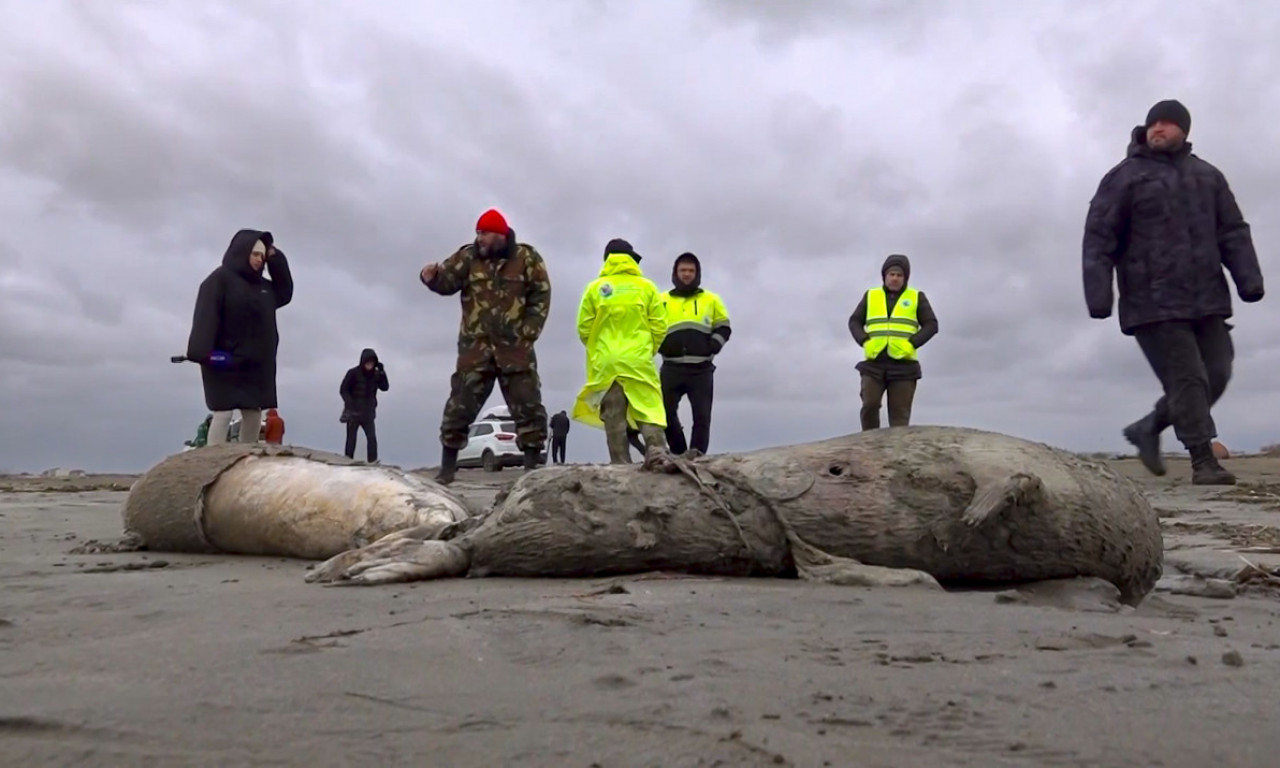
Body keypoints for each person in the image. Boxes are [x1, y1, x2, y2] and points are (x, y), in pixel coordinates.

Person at [1083, 99, 1265, 485]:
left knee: (1217, 373)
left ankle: (1149, 426)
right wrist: (1099, 295)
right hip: (1152, 301)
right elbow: (1099, 238)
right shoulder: (1124, 178)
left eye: (1167, 124)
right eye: (1153, 124)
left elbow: (1232, 230)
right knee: (1188, 379)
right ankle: (1203, 460)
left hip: (1207, 299)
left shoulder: (1208, 176)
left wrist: (1248, 279)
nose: (1158, 129)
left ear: (1184, 130)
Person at [420, 208, 551, 484]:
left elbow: (541, 293)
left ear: (500, 234)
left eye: (485, 233)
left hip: (515, 347)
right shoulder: (467, 257)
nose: (479, 238)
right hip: (475, 347)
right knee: (460, 405)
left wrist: (528, 332)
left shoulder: (527, 258)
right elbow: (447, 281)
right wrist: (430, 277)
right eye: (478, 232)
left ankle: (531, 466)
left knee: (527, 404)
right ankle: (447, 469)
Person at [186, 229, 293, 445]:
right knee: (223, 412)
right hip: (223, 361)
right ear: (242, 251)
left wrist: (275, 256)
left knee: (253, 414)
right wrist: (203, 353)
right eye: (255, 254)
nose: (259, 260)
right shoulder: (219, 280)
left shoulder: (264, 288)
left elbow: (285, 292)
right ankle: (213, 459)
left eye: (262, 256)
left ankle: (246, 458)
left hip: (255, 364)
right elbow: (205, 317)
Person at [572, 238, 669, 463]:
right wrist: (646, 350)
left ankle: (620, 465)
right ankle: (659, 458)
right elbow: (660, 326)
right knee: (649, 409)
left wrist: (600, 350)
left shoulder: (595, 288)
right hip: (638, 359)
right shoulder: (647, 287)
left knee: (614, 416)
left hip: (607, 363)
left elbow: (583, 328)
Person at [846, 254, 939, 430]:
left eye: (899, 275)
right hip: (874, 362)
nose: (895, 278)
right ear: (885, 276)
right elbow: (854, 321)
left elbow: (932, 325)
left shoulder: (916, 297)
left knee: (899, 418)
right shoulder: (871, 295)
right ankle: (869, 443)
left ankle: (897, 454)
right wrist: (864, 340)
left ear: (905, 278)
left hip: (904, 365)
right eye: (891, 274)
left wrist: (912, 343)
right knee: (870, 405)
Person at [657, 251, 731, 457]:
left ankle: (697, 456)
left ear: (697, 273)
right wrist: (661, 346)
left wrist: (713, 346)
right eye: (683, 270)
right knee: (664, 414)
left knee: (702, 417)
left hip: (701, 369)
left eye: (691, 270)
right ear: (675, 273)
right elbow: (649, 328)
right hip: (671, 368)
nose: (687, 274)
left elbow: (724, 327)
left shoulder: (711, 299)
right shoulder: (661, 300)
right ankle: (680, 452)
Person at [340, 348, 389, 463]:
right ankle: (347, 461)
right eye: (367, 362)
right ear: (363, 362)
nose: (369, 365)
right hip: (353, 412)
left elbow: (385, 387)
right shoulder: (353, 373)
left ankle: (373, 462)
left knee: (372, 439)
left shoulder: (376, 375)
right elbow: (343, 390)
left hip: (368, 413)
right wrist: (349, 403)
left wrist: (382, 373)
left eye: (372, 363)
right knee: (351, 439)